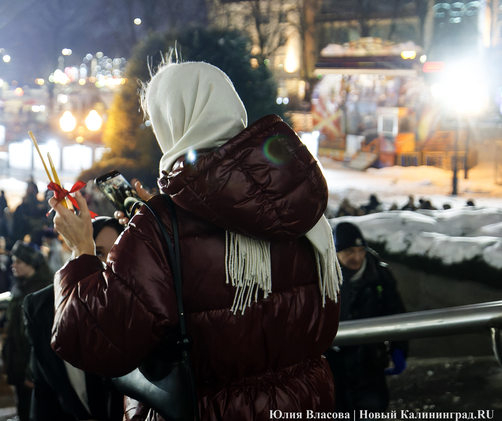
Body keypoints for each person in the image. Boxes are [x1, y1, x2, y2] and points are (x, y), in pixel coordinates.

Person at [50, 61, 341, 419]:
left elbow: (92, 339)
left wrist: (82, 251)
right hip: (307, 402)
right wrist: (156, 227)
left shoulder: (164, 225)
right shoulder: (299, 200)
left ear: (172, 121)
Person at [23, 216, 125, 421]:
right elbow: (44, 391)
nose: (107, 264)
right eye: (97, 253)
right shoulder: (42, 307)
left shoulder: (134, 307)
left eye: (117, 255)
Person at [326, 222, 407, 413]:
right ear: (335, 252)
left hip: (369, 361)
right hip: (333, 363)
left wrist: (399, 348)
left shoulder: (379, 274)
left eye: (361, 250)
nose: (357, 257)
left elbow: (396, 312)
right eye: (349, 251)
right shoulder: (324, 277)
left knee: (370, 409)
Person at [3, 240, 53, 421]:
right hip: (20, 363)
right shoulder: (22, 286)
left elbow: (41, 337)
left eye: (19, 261)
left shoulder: (41, 291)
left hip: (32, 370)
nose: (13, 265)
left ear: (31, 264)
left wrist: (31, 372)